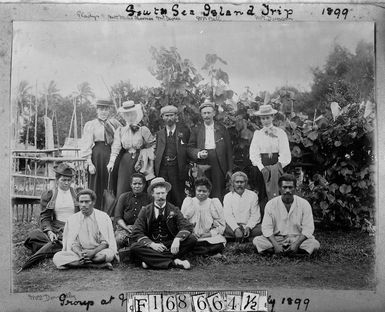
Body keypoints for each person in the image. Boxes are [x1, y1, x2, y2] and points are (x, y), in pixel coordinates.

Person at [130, 177, 197, 270]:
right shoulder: (145, 210)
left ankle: (151, 261)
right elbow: (136, 231)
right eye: (158, 193)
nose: (160, 196)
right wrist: (152, 244)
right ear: (152, 194)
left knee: (192, 239)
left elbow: (186, 226)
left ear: (166, 193)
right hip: (152, 245)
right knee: (134, 247)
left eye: (162, 193)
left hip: (170, 244)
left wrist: (177, 239)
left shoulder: (174, 209)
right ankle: (174, 262)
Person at [253, 174, 320, 255]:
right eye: (284, 187)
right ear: (280, 188)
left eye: (290, 187)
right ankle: (292, 252)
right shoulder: (271, 204)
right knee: (257, 241)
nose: (287, 190)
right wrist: (276, 245)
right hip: (277, 238)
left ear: (295, 188)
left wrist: (296, 244)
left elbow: (308, 228)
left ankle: (278, 251)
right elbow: (266, 228)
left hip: (297, 238)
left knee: (314, 243)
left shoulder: (304, 204)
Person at [53, 189, 118, 270]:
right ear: (78, 203)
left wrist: (93, 252)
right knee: (57, 257)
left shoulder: (103, 217)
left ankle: (79, 264)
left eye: (87, 201)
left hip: (98, 252)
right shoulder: (72, 219)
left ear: (93, 202)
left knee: (106, 255)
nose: (83, 205)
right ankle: (96, 265)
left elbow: (106, 242)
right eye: (81, 202)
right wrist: (80, 253)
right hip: (80, 253)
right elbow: (73, 243)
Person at [24, 163, 79, 254]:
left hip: (75, 227)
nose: (67, 183)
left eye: (69, 180)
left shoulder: (77, 193)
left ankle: (56, 246)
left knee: (86, 237)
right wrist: (50, 232)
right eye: (63, 180)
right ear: (57, 180)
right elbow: (45, 217)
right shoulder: (50, 195)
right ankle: (63, 245)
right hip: (57, 228)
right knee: (34, 236)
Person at [107, 100, 156, 198]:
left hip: (140, 160)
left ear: (136, 115)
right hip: (125, 161)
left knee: (140, 185)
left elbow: (153, 144)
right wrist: (111, 162)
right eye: (127, 115)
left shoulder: (143, 130)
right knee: (123, 186)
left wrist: (146, 153)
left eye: (132, 114)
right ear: (124, 116)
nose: (130, 117)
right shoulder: (120, 131)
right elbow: (116, 147)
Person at [80, 99, 122, 210]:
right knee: (96, 182)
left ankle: (109, 211)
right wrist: (89, 163)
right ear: (97, 110)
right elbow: (87, 143)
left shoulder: (114, 124)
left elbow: (117, 142)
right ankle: (95, 209)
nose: (104, 112)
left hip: (111, 154)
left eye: (106, 109)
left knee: (110, 183)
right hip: (97, 156)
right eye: (101, 109)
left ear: (109, 110)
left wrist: (112, 160)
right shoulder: (91, 124)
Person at [188, 99, 233, 200]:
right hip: (202, 162)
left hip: (218, 161)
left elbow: (229, 150)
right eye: (204, 113)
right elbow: (189, 148)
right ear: (201, 115)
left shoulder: (222, 129)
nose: (206, 115)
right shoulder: (196, 130)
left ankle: (218, 214)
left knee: (218, 192)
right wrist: (198, 153)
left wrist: (230, 169)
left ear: (214, 113)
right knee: (203, 189)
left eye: (209, 113)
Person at [249, 104, 291, 200]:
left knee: (278, 193)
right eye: (263, 118)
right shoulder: (258, 134)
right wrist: (262, 168)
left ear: (272, 117)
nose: (265, 121)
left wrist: (277, 168)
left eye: (267, 118)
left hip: (278, 167)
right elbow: (254, 154)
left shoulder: (280, 133)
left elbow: (285, 153)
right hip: (262, 168)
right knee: (263, 194)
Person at [154, 105, 190, 207]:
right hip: (163, 169)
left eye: (171, 115)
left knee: (178, 196)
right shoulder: (159, 134)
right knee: (164, 194)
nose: (169, 118)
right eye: (166, 116)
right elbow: (156, 151)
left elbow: (189, 149)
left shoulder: (184, 132)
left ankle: (180, 219)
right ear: (162, 117)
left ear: (176, 116)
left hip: (177, 169)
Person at [181, 177, 226, 256]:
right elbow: (182, 221)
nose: (201, 193)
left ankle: (196, 252)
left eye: (204, 191)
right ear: (195, 190)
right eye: (199, 191)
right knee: (188, 243)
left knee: (219, 245)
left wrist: (210, 234)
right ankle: (208, 253)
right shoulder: (189, 201)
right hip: (192, 236)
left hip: (208, 236)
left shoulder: (213, 203)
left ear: (209, 192)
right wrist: (191, 233)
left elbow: (221, 224)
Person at [114, 173, 152, 249]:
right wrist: (126, 228)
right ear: (131, 185)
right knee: (119, 239)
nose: (137, 186)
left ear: (144, 185)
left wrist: (140, 228)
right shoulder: (123, 197)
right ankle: (121, 257)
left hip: (142, 229)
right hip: (125, 228)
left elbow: (151, 217)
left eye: (140, 184)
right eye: (134, 184)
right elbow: (118, 217)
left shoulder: (149, 198)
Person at [223, 171, 262, 242]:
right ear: (233, 183)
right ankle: (246, 237)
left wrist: (249, 227)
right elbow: (228, 216)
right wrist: (236, 228)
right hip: (232, 227)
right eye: (237, 182)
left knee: (263, 228)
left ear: (246, 183)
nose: (239, 184)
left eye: (242, 182)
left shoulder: (253, 195)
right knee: (221, 228)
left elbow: (255, 215)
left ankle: (240, 237)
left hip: (250, 226)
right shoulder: (227, 197)